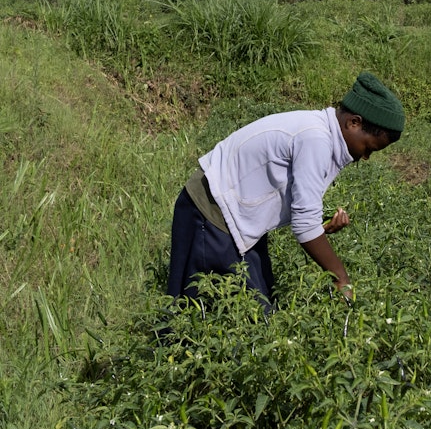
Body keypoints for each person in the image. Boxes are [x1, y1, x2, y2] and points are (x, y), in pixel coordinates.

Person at [167, 71, 405, 313]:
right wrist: (341, 277)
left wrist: (319, 226)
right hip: (210, 213)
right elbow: (304, 224)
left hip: (235, 218)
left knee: (259, 305)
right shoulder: (316, 139)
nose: (365, 157)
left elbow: (299, 205)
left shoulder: (320, 132)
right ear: (353, 122)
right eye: (369, 149)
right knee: (205, 314)